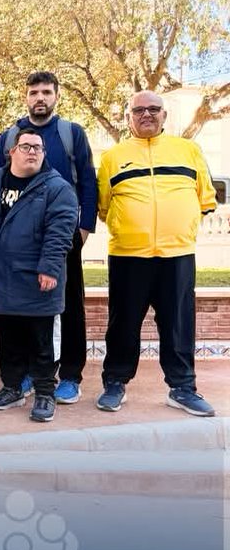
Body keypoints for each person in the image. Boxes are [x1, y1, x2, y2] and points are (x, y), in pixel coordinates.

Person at [95, 91, 217, 417]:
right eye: (139, 110)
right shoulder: (112, 157)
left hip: (177, 254)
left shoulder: (188, 150)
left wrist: (179, 225)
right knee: (123, 323)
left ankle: (183, 388)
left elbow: (205, 199)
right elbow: (104, 207)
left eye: (153, 109)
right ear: (128, 117)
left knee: (178, 324)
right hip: (128, 255)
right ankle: (115, 383)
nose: (146, 114)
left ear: (164, 115)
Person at [0, 72, 97, 405]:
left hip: (61, 238)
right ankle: (25, 374)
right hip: (17, 245)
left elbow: (88, 183)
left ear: (56, 96)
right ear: (25, 97)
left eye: (47, 92)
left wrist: (83, 229)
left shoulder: (71, 134)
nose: (40, 97)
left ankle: (70, 376)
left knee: (69, 309)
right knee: (21, 310)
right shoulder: (10, 137)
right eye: (34, 92)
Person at [0, 128, 77, 423]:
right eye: (26, 146)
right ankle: (13, 387)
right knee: (8, 340)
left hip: (36, 278)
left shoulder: (57, 188)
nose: (32, 151)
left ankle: (45, 392)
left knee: (41, 342)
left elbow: (61, 231)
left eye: (37, 148)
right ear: (11, 152)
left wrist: (49, 267)